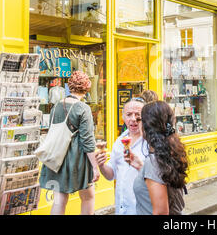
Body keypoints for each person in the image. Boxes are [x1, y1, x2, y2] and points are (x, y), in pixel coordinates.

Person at [39, 71, 100, 215]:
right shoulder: (83, 108)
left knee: (59, 199)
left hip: (57, 157)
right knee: (88, 197)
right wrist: (95, 167)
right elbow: (88, 141)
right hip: (76, 158)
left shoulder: (56, 106)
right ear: (86, 88)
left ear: (70, 86)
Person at [125, 101, 188, 215]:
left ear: (146, 126)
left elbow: (161, 212)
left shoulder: (153, 162)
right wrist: (141, 167)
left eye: (140, 120)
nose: (137, 123)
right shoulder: (169, 153)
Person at [95, 96, 148, 215]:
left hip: (143, 209)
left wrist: (140, 166)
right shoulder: (119, 142)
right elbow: (111, 175)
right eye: (129, 115)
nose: (133, 119)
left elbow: (160, 177)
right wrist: (102, 165)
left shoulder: (151, 143)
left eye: (137, 115)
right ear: (123, 117)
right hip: (122, 209)